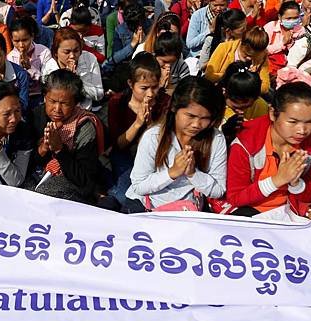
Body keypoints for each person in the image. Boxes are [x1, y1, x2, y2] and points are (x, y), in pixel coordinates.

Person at [123, 76, 227, 213]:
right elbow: (139, 186)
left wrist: (193, 173)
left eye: (205, 118)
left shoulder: (216, 139)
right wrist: (172, 172)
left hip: (187, 210)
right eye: (190, 116)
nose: (196, 125)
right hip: (146, 206)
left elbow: (218, 190)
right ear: (174, 107)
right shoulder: (154, 137)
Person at [227, 81, 311, 218]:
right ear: (273, 113)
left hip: (292, 209)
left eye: (310, 122)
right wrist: (277, 180)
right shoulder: (245, 145)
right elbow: (235, 198)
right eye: (293, 122)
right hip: (253, 210)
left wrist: (295, 183)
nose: (302, 131)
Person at [106, 52, 171, 207]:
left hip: (156, 155)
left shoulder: (164, 101)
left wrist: (150, 125)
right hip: (126, 154)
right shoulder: (118, 103)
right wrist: (138, 123)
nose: (150, 94)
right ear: (130, 84)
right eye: (144, 88)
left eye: (154, 87)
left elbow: (164, 139)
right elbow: (119, 145)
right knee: (124, 197)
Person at [31, 69, 104, 203]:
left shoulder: (84, 127)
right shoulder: (36, 116)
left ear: (75, 103)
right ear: (44, 97)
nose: (57, 109)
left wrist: (59, 149)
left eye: (65, 104)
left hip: (72, 184)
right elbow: (28, 162)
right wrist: (43, 148)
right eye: (52, 101)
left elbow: (84, 179)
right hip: (38, 175)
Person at [43, 27, 103, 111]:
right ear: (56, 52)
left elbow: (99, 94)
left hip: (84, 112)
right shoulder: (50, 67)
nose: (72, 56)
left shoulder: (89, 59)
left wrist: (77, 79)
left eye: (76, 51)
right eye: (66, 52)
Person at [205, 26, 271, 93]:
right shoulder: (224, 48)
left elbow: (265, 87)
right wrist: (229, 75)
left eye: (254, 56)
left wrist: (250, 81)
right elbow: (209, 76)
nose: (249, 59)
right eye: (246, 54)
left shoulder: (262, 57)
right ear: (241, 43)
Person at [218, 61, 269, 145]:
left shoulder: (261, 106)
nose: (241, 111)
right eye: (235, 105)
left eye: (247, 105)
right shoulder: (213, 105)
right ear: (224, 92)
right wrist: (224, 132)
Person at [7, 17, 51, 111]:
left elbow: (48, 80)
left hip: (40, 96)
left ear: (32, 36)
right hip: (20, 98)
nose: (21, 45)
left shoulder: (44, 52)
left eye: (25, 40)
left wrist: (30, 68)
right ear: (11, 39)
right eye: (16, 41)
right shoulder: (10, 57)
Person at [264, 1, 305, 75]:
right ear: (280, 17)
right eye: (288, 18)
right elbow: (262, 50)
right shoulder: (270, 27)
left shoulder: (300, 31)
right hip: (268, 68)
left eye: (295, 18)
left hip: (289, 70)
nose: (292, 21)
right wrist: (282, 43)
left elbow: (299, 53)